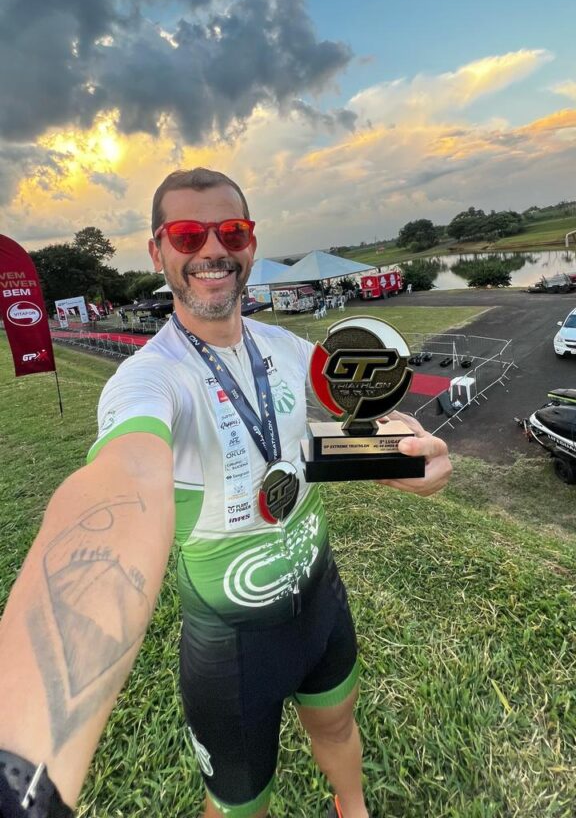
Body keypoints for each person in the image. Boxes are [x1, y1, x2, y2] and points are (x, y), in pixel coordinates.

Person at [0, 168, 452, 818]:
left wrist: (414, 450)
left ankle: (351, 807)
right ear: (158, 252)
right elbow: (123, 481)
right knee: (238, 805)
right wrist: (19, 770)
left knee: (338, 727)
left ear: (251, 244)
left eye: (231, 232)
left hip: (322, 605)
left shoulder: (289, 349)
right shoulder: (149, 379)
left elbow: (369, 415)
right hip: (230, 650)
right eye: (188, 235)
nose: (212, 249)